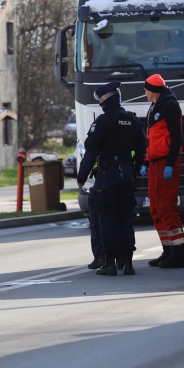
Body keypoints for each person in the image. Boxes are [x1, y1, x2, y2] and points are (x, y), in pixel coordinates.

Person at [77, 82, 146, 276]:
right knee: (125, 218)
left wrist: (82, 177)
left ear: (109, 99)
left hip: (107, 176)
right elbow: (142, 149)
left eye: (102, 99)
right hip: (126, 174)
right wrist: (133, 167)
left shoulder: (103, 121)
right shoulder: (133, 120)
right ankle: (128, 262)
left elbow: (90, 146)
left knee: (107, 217)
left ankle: (109, 263)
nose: (100, 103)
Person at [140, 74, 184, 268]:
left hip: (166, 163)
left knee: (167, 206)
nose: (144, 92)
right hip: (154, 162)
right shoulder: (154, 107)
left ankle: (177, 252)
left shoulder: (170, 106)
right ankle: (167, 248)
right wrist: (145, 161)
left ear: (153, 90)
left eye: (146, 89)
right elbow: (152, 139)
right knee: (156, 207)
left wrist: (170, 163)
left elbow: (176, 138)